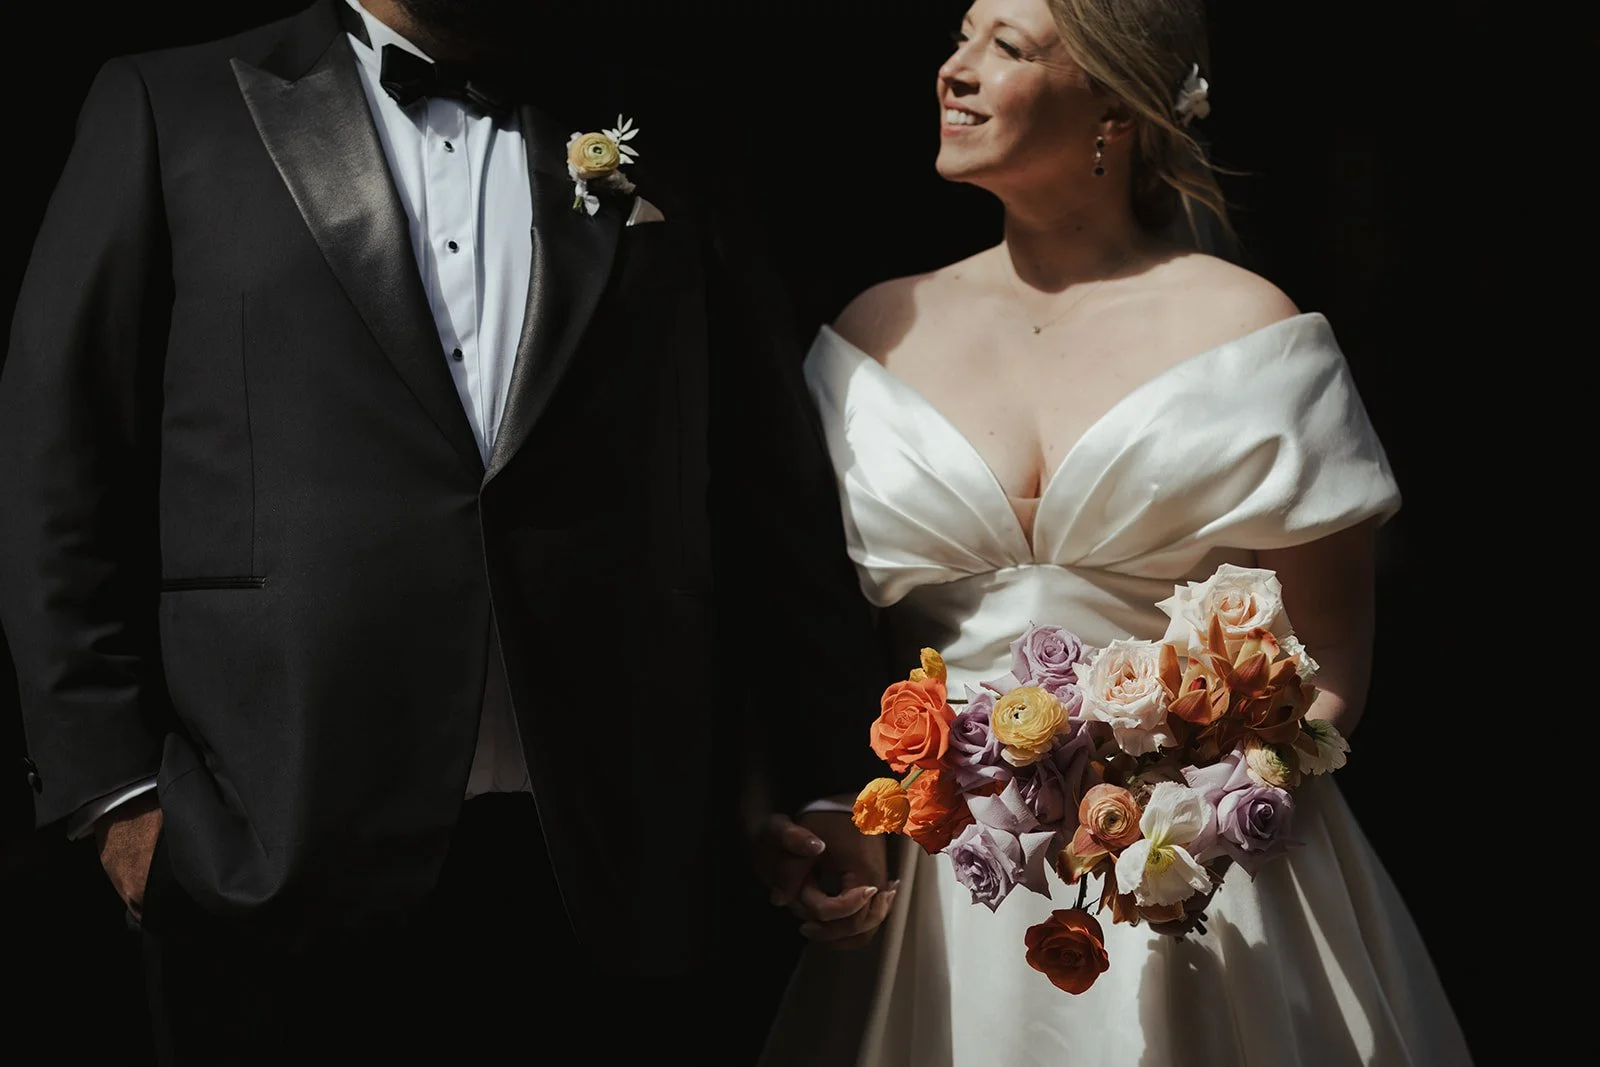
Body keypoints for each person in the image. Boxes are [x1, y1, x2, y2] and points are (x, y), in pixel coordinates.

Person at [0, 0, 892, 1062]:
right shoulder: (168, 103)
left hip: (620, 844)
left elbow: (763, 474)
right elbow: (63, 457)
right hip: (268, 833)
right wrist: (117, 795)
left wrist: (829, 770)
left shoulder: (667, 125)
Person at [757, 0, 1473, 1063]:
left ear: (1116, 108)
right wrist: (824, 809)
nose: (955, 71)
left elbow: (1327, 674)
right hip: (944, 881)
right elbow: (793, 627)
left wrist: (1179, 820)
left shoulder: (1251, 334)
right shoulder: (872, 333)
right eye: (959, 37)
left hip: (1198, 885)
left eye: (1006, 47)